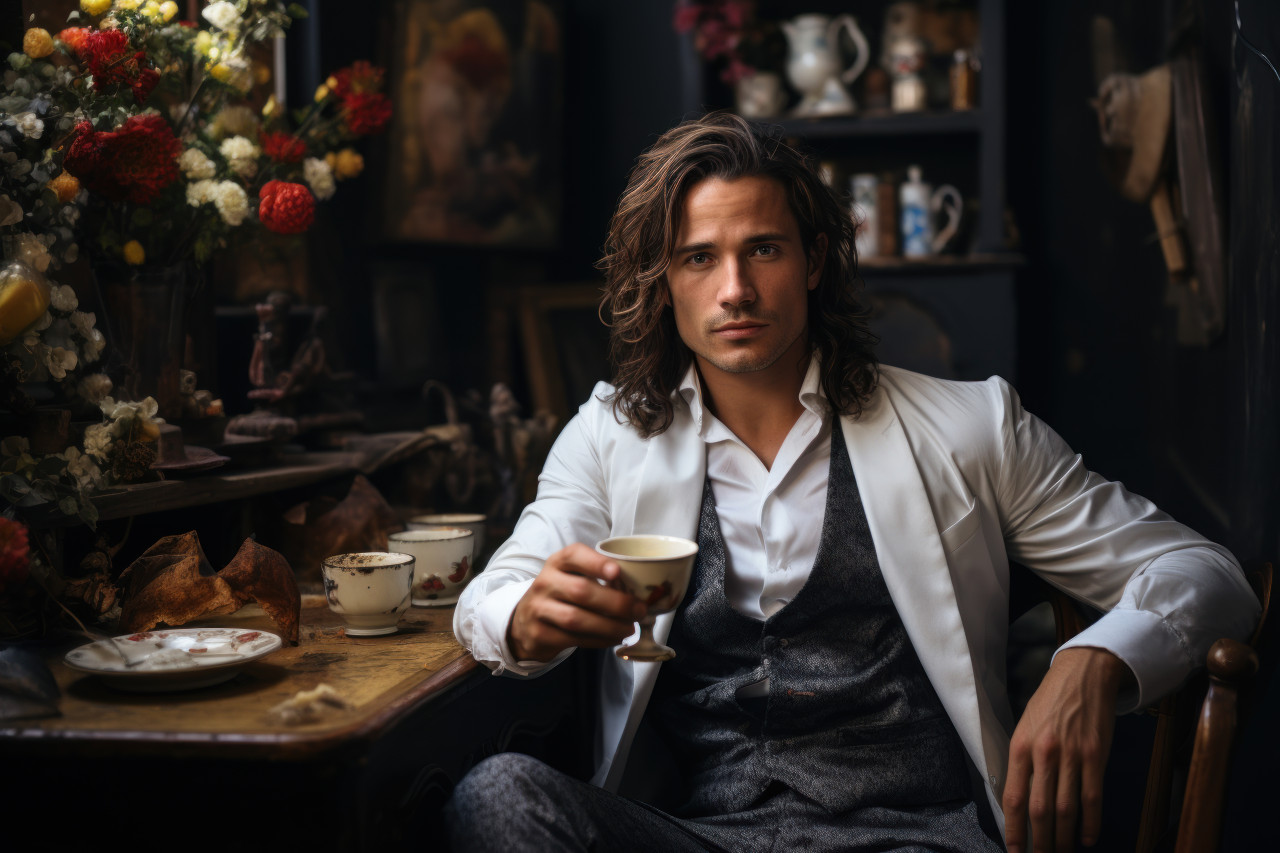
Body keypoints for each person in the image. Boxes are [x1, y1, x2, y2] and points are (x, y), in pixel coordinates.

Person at [447, 112, 1259, 852]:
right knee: (499, 796)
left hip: (914, 838)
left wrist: (1093, 657)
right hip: (702, 836)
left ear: (813, 261)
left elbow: (1211, 576)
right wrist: (524, 617)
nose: (735, 289)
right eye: (699, 258)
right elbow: (491, 596)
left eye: (763, 248)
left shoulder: (970, 426)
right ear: (664, 282)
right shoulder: (610, 438)